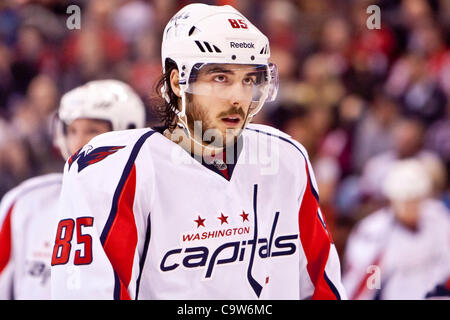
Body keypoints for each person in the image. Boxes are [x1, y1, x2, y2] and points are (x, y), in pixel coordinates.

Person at [50, 3, 347, 300]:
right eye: (221, 78)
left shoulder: (285, 157)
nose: (237, 98)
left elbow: (321, 285)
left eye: (248, 80)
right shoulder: (113, 168)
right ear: (178, 82)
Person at [0, 79, 146, 299]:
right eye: (72, 130)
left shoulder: (147, 206)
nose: (77, 142)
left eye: (92, 130)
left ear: (127, 131)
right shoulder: (24, 203)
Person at [342, 159, 450, 300]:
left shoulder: (439, 219)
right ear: (392, 199)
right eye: (405, 201)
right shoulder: (373, 233)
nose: (410, 207)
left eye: (415, 200)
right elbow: (362, 282)